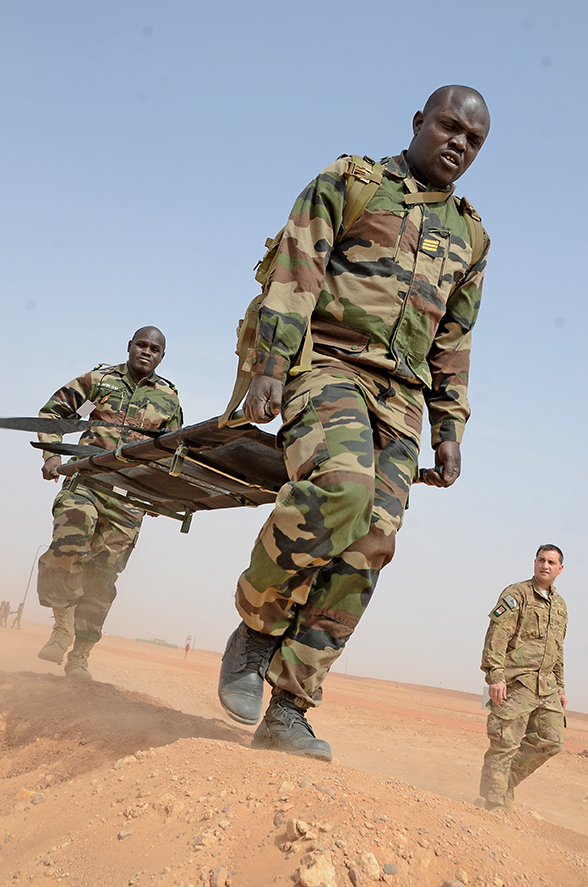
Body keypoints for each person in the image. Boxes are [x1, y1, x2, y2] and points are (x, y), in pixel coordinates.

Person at [218, 85, 491, 760]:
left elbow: (454, 340)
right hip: (329, 366)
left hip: (400, 401)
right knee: (341, 486)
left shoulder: (472, 235)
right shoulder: (351, 181)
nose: (458, 143)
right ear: (418, 122)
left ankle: (290, 708)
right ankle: (256, 626)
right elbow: (296, 267)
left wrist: (450, 428)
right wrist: (271, 366)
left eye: (474, 140)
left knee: (371, 542)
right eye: (449, 127)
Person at [36, 326, 182, 680]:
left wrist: (158, 493)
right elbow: (55, 411)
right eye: (141, 345)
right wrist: (53, 454)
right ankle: (62, 627)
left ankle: (80, 657)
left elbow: (174, 452)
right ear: (129, 347)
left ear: (162, 356)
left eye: (155, 349)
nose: (147, 352)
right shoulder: (98, 381)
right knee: (70, 539)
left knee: (103, 576)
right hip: (86, 480)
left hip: (129, 498)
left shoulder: (169, 399)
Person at [479, 545, 568, 812]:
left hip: (546, 686)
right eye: (541, 560)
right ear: (534, 563)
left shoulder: (561, 606)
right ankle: (492, 803)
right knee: (504, 743)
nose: (545, 565)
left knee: (552, 740)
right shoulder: (516, 594)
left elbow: (558, 649)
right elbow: (497, 635)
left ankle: (505, 784)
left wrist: (560, 687)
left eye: (551, 562)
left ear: (560, 569)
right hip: (516, 681)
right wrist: (495, 676)